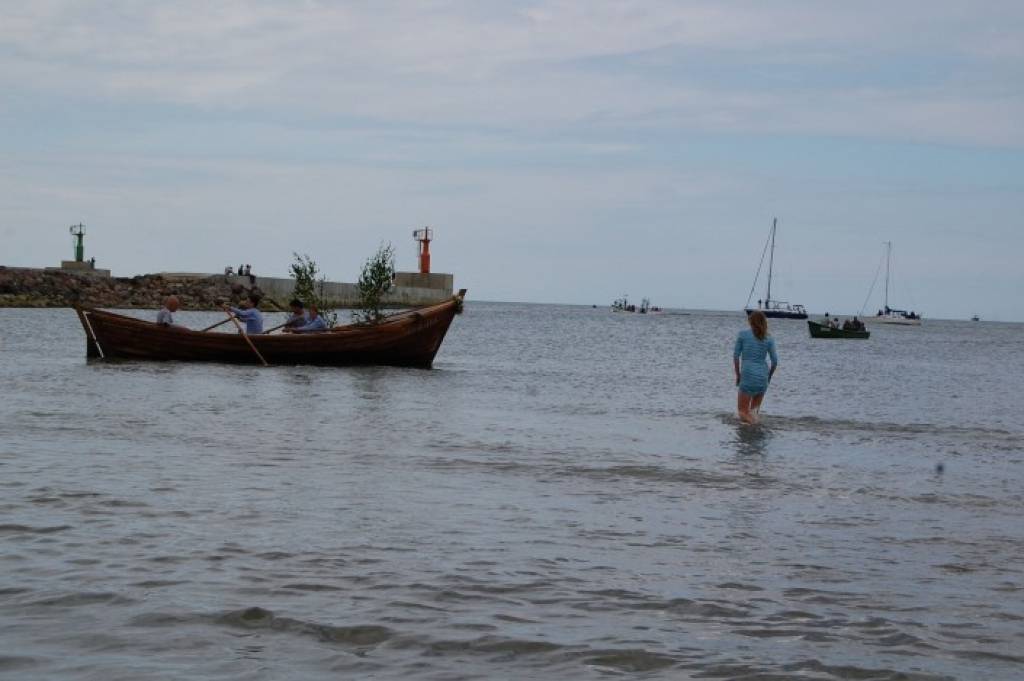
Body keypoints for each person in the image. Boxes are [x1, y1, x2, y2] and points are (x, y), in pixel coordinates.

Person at [733, 310, 778, 425]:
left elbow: (736, 356)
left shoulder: (743, 335)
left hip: (748, 375)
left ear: (750, 321)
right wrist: (769, 377)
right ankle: (755, 432)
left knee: (742, 412)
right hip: (763, 376)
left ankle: (754, 426)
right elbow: (775, 361)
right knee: (753, 412)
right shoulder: (769, 338)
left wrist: (738, 375)